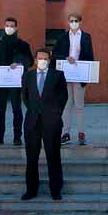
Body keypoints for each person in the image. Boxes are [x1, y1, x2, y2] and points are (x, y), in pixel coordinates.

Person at [21, 48, 68, 201]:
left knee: (53, 156)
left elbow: (63, 97)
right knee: (31, 158)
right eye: (40, 58)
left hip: (51, 122)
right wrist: (35, 110)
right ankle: (31, 190)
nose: (42, 61)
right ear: (35, 60)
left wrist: (54, 114)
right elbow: (25, 97)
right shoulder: (28, 75)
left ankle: (55, 190)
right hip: (32, 122)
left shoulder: (58, 75)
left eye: (45, 58)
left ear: (49, 60)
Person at [0, 17, 34, 146]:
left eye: (12, 25)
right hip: (0, 82)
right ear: (4, 27)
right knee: (0, 111)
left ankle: (17, 137)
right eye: (7, 25)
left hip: (16, 82)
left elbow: (30, 61)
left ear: (16, 28)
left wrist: (20, 62)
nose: (9, 27)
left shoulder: (23, 45)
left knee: (17, 110)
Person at [52, 13, 95, 146]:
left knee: (79, 105)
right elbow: (54, 54)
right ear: (68, 22)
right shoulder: (62, 37)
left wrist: (87, 74)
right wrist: (66, 58)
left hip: (79, 75)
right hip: (65, 74)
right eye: (71, 21)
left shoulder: (86, 37)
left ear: (80, 22)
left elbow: (90, 56)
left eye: (76, 21)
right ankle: (65, 134)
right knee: (66, 105)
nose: (73, 23)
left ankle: (81, 133)